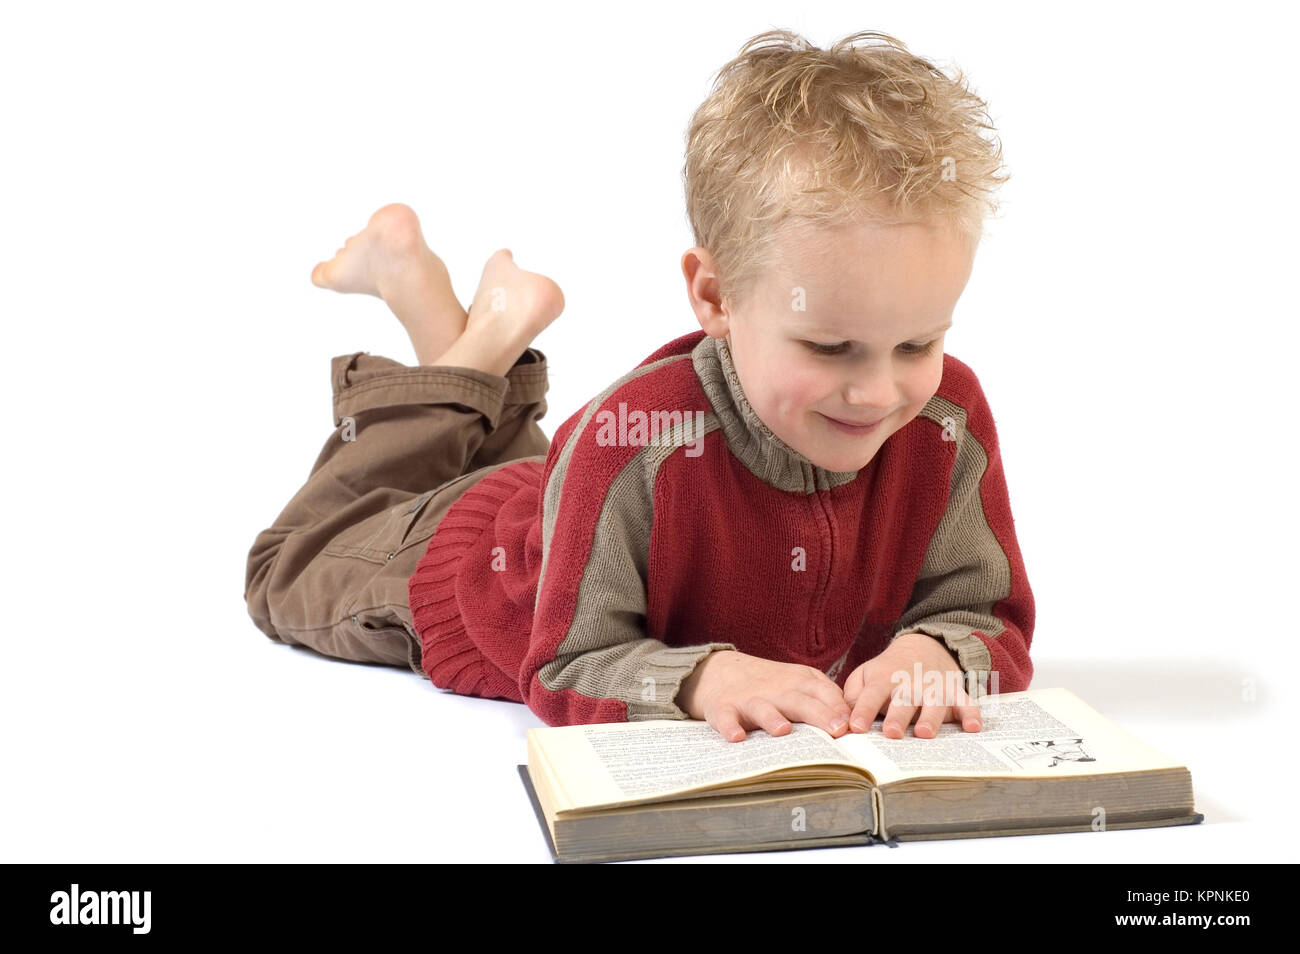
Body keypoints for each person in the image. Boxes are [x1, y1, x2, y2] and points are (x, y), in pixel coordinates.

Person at [244, 28, 1035, 744]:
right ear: (716, 297)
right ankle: (457, 338)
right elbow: (566, 664)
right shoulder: (636, 442)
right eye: (831, 347)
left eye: (917, 342)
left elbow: (987, 612)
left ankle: (469, 322)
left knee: (522, 481)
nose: (877, 391)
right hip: (470, 568)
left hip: (559, 509)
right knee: (283, 571)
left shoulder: (945, 422)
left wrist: (936, 652)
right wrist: (700, 678)